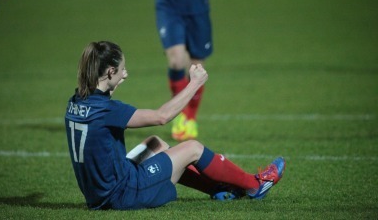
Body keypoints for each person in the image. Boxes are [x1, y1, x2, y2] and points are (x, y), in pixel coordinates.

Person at [65, 41, 286, 210]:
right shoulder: (109, 111)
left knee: (155, 143)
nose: (126, 74)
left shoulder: (75, 102)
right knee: (192, 148)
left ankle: (218, 190)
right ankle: (255, 185)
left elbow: (100, 108)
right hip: (123, 193)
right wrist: (195, 84)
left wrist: (112, 85)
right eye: (121, 69)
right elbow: (163, 116)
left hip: (97, 194)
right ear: (110, 71)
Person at [145, 0, 227, 141]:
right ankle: (180, 114)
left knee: (196, 67)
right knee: (176, 61)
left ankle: (190, 117)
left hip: (198, 8)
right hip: (168, 6)